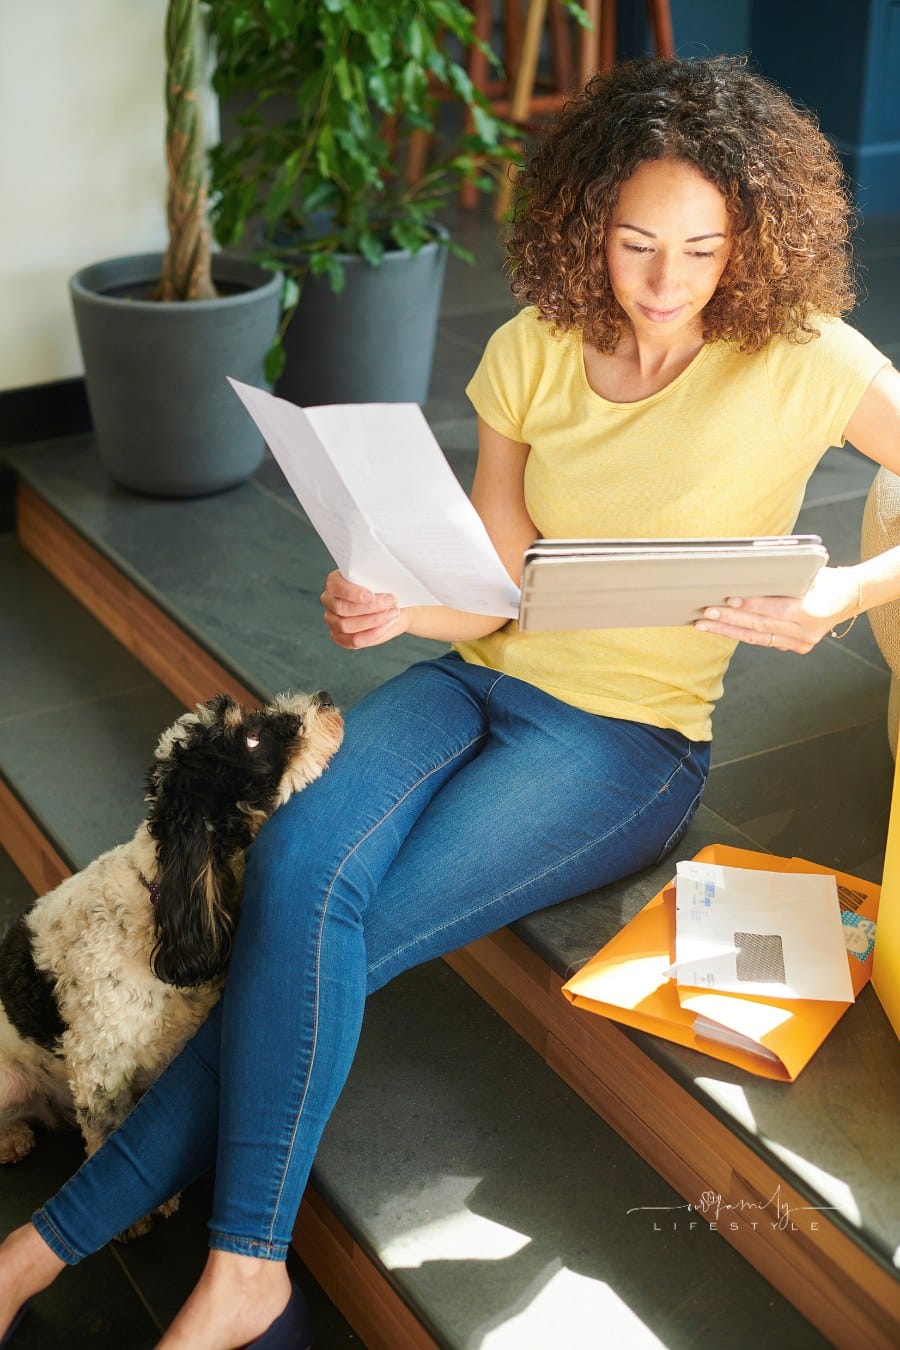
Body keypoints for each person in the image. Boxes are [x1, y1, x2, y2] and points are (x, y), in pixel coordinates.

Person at [2, 54, 899, 1350]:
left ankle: (89, 1250)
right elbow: (492, 588)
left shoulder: (806, 359)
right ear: (588, 222)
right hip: (483, 677)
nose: (664, 283)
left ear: (750, 239)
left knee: (331, 936)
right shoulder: (533, 348)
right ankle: (209, 1268)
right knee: (303, 861)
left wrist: (845, 593)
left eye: (702, 251)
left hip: (629, 743)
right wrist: (395, 608)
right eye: (637, 243)